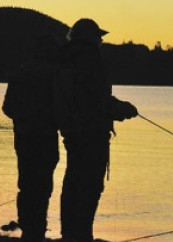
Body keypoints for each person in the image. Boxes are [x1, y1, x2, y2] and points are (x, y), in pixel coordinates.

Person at [54, 18, 138, 242]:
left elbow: (87, 98)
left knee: (73, 184)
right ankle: (81, 235)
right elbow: (95, 100)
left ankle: (70, 234)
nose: (101, 39)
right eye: (98, 36)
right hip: (91, 134)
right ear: (89, 37)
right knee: (90, 187)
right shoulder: (90, 60)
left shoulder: (65, 59)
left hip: (72, 132)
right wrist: (122, 110)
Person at [2, 34, 62, 242]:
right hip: (44, 139)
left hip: (23, 138)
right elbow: (61, 108)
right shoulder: (53, 74)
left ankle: (29, 228)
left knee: (27, 186)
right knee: (42, 187)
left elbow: (7, 108)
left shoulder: (20, 72)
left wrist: (23, 118)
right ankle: (36, 230)